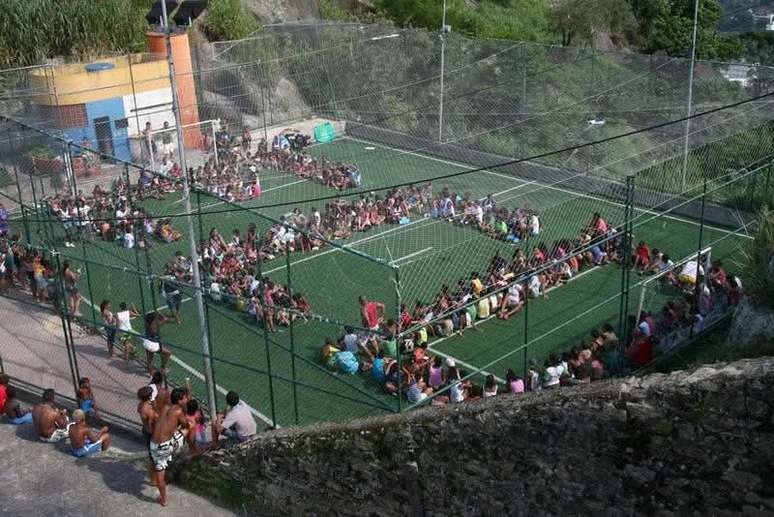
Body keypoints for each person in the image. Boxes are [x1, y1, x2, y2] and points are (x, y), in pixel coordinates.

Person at [150, 387, 190, 507]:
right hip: (165, 446)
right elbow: (186, 424)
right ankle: (164, 499)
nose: (187, 399)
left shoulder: (165, 407)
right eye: (185, 398)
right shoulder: (178, 412)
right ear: (179, 400)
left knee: (158, 468)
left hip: (154, 444)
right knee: (189, 427)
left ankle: (155, 481)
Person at [137, 386, 158, 485]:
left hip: (145, 431)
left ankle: (153, 478)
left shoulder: (140, 406)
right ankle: (153, 480)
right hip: (151, 433)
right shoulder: (149, 409)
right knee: (154, 458)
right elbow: (150, 426)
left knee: (152, 457)